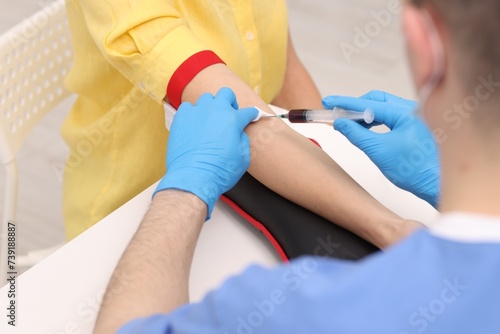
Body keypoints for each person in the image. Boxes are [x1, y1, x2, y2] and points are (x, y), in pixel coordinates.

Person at [95, 0, 500, 332]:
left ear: (422, 42)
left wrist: (184, 188)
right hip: (121, 201)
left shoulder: (302, 309)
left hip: (178, 224)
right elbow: (277, 88)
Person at [64, 0, 412, 245]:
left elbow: (284, 65)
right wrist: (390, 227)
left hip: (251, 182)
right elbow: (241, 115)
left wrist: (332, 148)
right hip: (134, 205)